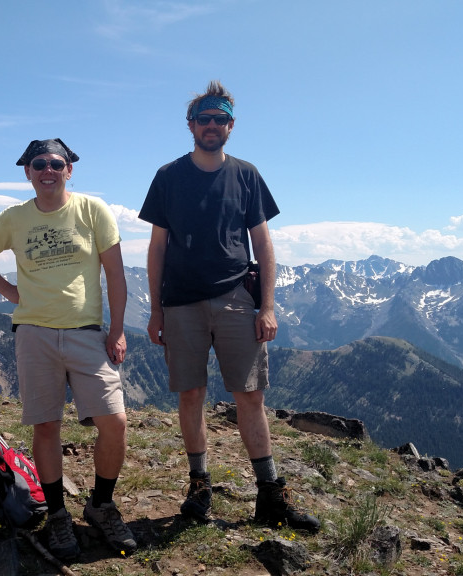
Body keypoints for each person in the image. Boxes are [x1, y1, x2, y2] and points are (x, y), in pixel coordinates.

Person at [138, 81, 320, 532]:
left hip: (238, 299)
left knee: (250, 396)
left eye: (220, 119)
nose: (212, 126)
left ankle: (270, 494)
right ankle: (200, 485)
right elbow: (157, 248)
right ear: (191, 125)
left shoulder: (246, 175)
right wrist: (156, 309)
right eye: (205, 118)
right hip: (180, 303)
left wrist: (268, 305)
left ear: (231, 126)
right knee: (191, 395)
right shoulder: (167, 177)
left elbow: (264, 243)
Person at [0, 138, 138, 560]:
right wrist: (10, 292)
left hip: (86, 332)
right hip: (34, 332)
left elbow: (115, 275)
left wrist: (117, 330)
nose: (47, 170)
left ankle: (101, 503)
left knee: (114, 421)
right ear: (28, 171)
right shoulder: (14, 218)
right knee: (46, 425)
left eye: (55, 163)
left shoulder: (92, 210)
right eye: (38, 163)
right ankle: (59, 514)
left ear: (69, 170)